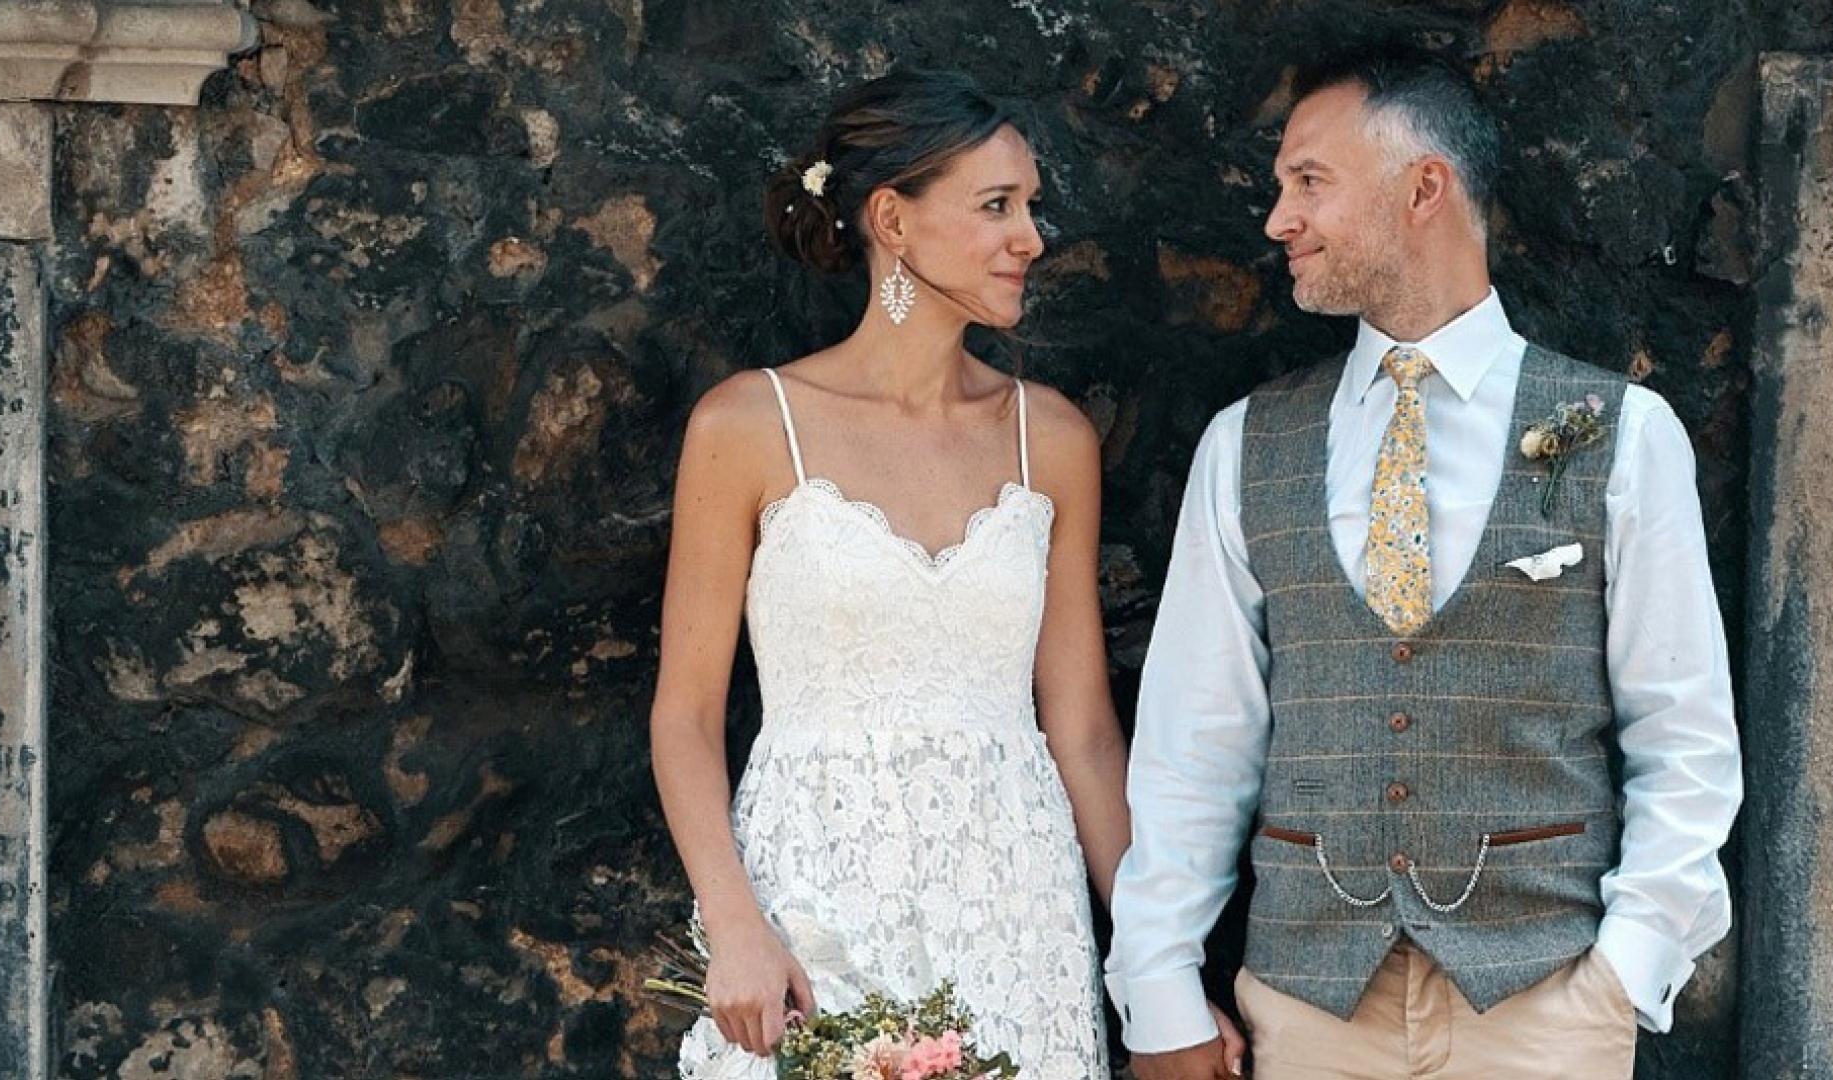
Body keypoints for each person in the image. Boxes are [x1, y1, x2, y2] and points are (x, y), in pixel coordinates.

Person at [1104, 42, 1744, 1080]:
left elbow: (1683, 731)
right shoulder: (1245, 444)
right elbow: (1194, 747)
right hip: (1311, 1010)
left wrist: (1627, 968)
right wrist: (1161, 986)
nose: (1279, 220)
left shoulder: (1621, 432)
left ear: (1423, 189)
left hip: (1543, 1005)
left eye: (1308, 182)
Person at [652, 69, 1124, 1080]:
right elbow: (686, 717)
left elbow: (1080, 728)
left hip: (1017, 917)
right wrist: (734, 926)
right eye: (997, 206)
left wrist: (1160, 967)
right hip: (814, 912)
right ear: (892, 222)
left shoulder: (1053, 441)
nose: (1030, 236)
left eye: (1030, 206)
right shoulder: (747, 425)